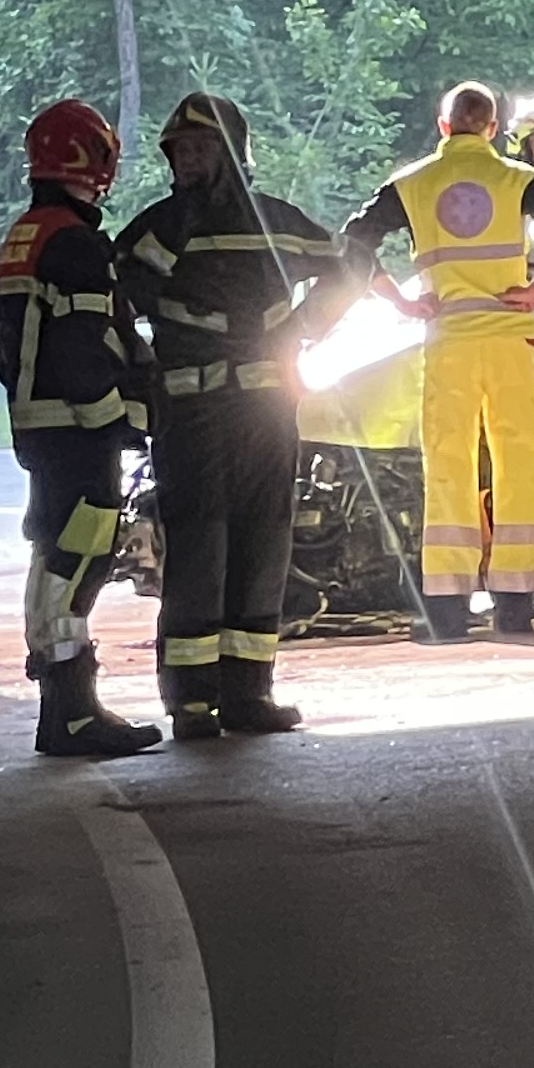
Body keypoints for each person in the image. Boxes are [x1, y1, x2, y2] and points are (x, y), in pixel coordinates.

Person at [116, 94, 335, 739]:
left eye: (201, 148)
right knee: (198, 547)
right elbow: (116, 295)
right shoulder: (160, 227)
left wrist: (302, 327)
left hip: (265, 413)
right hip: (192, 415)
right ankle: (190, 699)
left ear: (233, 153)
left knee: (263, 543)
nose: (188, 161)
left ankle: (249, 693)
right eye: (180, 151)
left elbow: (348, 265)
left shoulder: (275, 221)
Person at [343, 80, 534, 643]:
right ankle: (515, 604)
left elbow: (353, 240)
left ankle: (447, 611)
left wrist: (400, 302)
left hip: (449, 340)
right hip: (511, 339)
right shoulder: (517, 179)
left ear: (443, 126)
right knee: (517, 460)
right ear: (493, 129)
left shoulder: (412, 183)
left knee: (449, 463)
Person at [0, 100, 161, 757]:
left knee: (55, 552)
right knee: (80, 557)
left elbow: (13, 342)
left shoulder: (27, 234)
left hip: (42, 425)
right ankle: (73, 714)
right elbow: (86, 345)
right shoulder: (75, 242)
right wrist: (123, 418)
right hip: (79, 428)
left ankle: (62, 709)